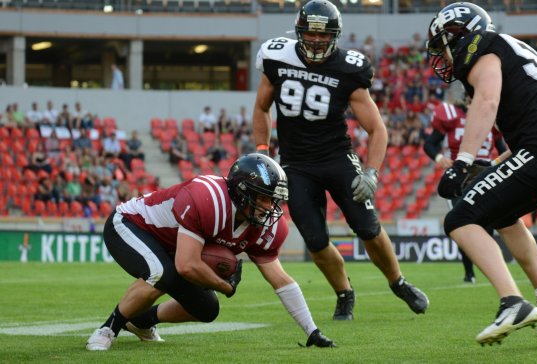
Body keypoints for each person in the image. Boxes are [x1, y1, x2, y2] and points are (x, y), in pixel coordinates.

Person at [252, 0, 429, 321]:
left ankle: (398, 282)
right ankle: (344, 293)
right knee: (316, 241)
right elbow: (261, 107)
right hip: (295, 165)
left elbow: (377, 129)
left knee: (367, 228)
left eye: (324, 35)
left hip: (337, 158)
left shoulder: (349, 67)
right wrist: (263, 152)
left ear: (336, 35)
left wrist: (372, 173)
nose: (317, 40)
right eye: (311, 33)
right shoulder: (276, 57)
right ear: (299, 31)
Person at [426, 2, 537, 345]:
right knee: (504, 216)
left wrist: (461, 163)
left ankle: (513, 302)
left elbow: (487, 101)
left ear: (464, 35)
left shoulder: (484, 49)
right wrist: (498, 163)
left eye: (446, 42)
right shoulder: (516, 50)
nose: (443, 53)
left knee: (460, 219)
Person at [85, 153, 335, 351]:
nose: (270, 207)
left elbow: (280, 279)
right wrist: (226, 287)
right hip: (131, 225)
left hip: (174, 246)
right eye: (264, 198)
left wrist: (311, 331)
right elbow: (186, 265)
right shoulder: (208, 198)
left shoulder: (266, 225)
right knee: (162, 273)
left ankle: (140, 322)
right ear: (243, 191)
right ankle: (108, 329)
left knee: (206, 309)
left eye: (274, 200)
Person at [422, 96, 508, 284]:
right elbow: (429, 144)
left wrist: (495, 165)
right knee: (462, 224)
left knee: (488, 226)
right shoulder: (453, 116)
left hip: (485, 175)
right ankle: (469, 272)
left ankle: (490, 267)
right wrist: (439, 158)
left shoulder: (491, 118)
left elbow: (504, 150)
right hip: (460, 176)